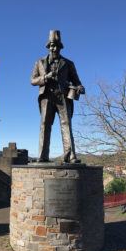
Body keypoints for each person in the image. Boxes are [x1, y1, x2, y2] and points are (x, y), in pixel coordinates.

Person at [31, 30, 85, 163]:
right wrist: (45, 77)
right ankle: (43, 155)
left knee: (66, 125)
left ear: (60, 47)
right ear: (48, 47)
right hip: (47, 97)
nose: (53, 48)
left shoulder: (68, 63)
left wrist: (80, 88)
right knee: (45, 125)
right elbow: (32, 80)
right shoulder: (39, 62)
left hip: (63, 97)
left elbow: (77, 82)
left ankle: (71, 156)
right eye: (51, 45)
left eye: (55, 45)